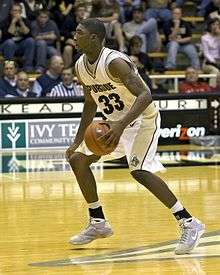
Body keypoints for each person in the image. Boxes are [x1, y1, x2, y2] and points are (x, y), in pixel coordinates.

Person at [66, 18, 205, 255]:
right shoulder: (80, 65)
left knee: (139, 171)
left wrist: (120, 126)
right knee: (77, 160)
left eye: (79, 32)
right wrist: (77, 140)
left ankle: (190, 223)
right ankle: (98, 222)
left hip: (142, 120)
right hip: (114, 124)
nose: (74, 36)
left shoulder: (115, 62)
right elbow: (90, 103)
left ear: (94, 38)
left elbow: (145, 95)